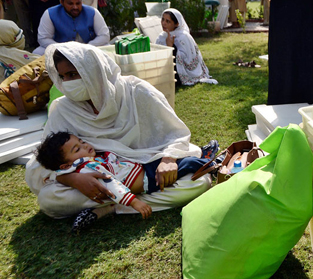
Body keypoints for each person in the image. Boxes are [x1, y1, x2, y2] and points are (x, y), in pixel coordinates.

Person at [24, 42, 212, 219]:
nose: (67, 83)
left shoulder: (136, 91)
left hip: (147, 164)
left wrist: (169, 158)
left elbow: (175, 133)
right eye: (63, 76)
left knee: (198, 182)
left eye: (73, 74)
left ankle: (114, 205)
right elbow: (43, 162)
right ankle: (125, 200)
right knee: (49, 199)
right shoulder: (64, 109)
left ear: (93, 70)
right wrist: (72, 179)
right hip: (98, 177)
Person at [35, 132, 218, 230]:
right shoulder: (88, 168)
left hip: (143, 167)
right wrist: (134, 202)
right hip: (147, 180)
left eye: (82, 141)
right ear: (66, 165)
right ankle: (211, 162)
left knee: (184, 162)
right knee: (187, 165)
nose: (85, 146)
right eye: (77, 149)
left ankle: (204, 159)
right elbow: (112, 185)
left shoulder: (91, 159)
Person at [34, 0, 110, 55]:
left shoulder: (92, 12)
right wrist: (61, 49)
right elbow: (43, 38)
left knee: (108, 49)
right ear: (62, 2)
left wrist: (88, 46)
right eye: (70, 4)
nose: (75, 7)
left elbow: (104, 35)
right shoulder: (50, 13)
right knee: (37, 53)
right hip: (60, 49)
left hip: (88, 48)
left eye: (78, 3)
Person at [155, 9, 217, 86]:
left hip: (183, 71)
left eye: (168, 21)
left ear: (176, 24)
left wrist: (171, 47)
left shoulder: (183, 36)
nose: (163, 23)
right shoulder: (161, 36)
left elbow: (188, 60)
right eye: (163, 19)